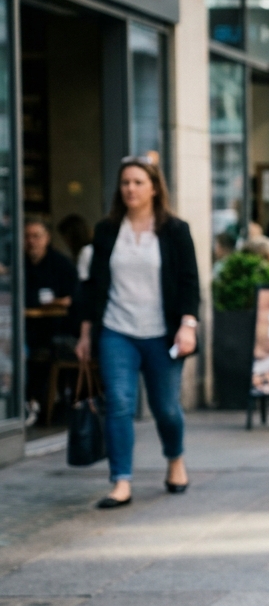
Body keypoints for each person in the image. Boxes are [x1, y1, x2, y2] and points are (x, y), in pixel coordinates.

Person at [75, 157, 200, 509]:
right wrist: (86, 334)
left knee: (166, 409)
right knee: (119, 404)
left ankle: (175, 458)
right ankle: (121, 481)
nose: (130, 188)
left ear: (154, 188)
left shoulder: (175, 230)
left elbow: (190, 283)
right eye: (125, 182)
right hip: (117, 331)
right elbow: (94, 286)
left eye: (138, 182)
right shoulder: (106, 230)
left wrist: (188, 325)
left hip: (163, 334)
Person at [24, 219, 80, 419]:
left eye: (36, 236)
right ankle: (25, 402)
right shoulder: (20, 264)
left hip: (56, 329)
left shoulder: (61, 264)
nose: (31, 241)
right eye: (27, 236)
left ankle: (33, 401)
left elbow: (72, 299)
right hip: (26, 327)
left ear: (47, 238)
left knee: (33, 353)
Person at [56, 214, 94, 281]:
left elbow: (81, 280)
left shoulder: (86, 251)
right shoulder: (88, 249)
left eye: (65, 237)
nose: (65, 242)